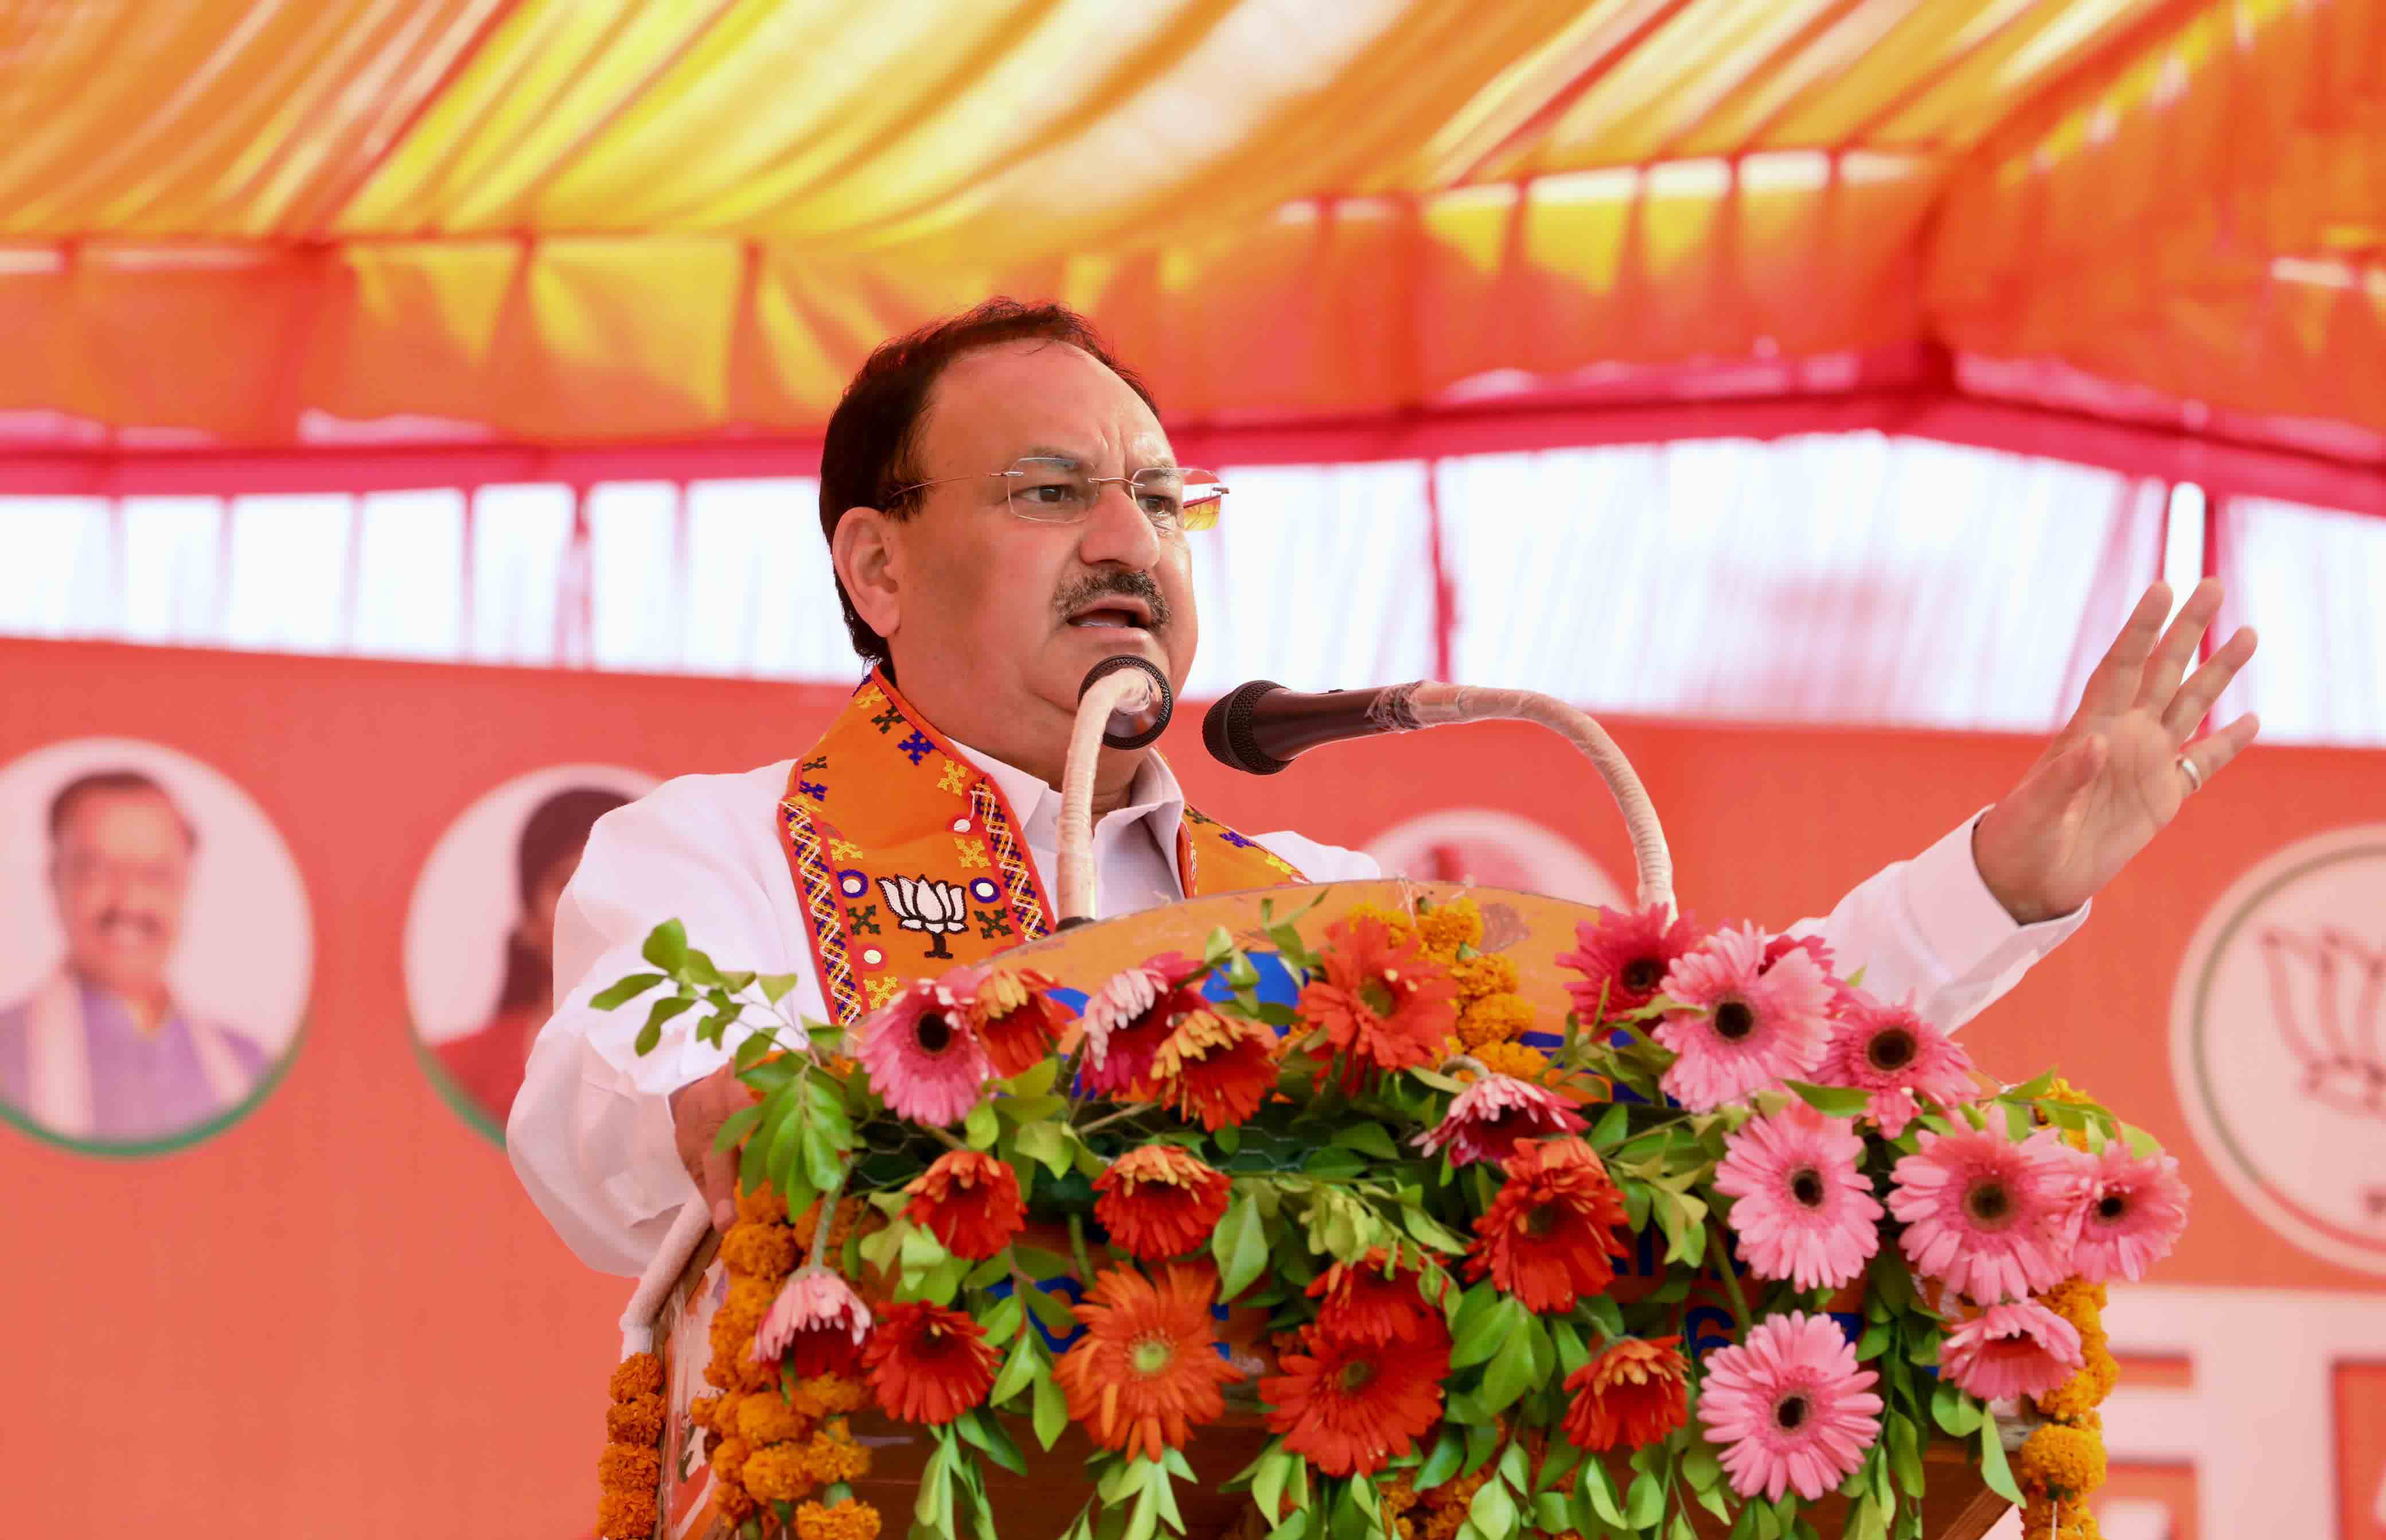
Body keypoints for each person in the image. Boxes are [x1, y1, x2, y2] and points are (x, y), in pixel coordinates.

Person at [508, 298, 2261, 1276]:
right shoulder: (724, 853)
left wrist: (2004, 875)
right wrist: (747, 1127)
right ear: (878, 568)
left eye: (1160, 499)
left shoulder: (1313, 902)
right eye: (1053, 496)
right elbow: (613, 1123)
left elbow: (1694, 1071)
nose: (1130, 543)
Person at [0, 769, 271, 1142]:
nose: (129, 901)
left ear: (185, 886)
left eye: (156, 874)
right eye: (97, 870)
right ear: (54, 881)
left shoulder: (249, 1068)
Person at [434, 787, 630, 1129]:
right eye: (567, 882)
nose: (591, 902)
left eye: (615, 878)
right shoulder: (453, 1075)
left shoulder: (713, 1061)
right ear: (527, 921)